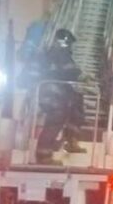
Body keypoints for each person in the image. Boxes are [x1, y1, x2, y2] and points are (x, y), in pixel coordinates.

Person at [35, 29, 86, 163]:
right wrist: (82, 76)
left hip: (50, 94)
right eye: (69, 43)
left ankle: (71, 139)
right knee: (54, 123)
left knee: (75, 105)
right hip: (55, 95)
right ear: (64, 41)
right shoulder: (61, 54)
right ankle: (44, 157)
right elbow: (71, 71)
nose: (70, 46)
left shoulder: (50, 54)